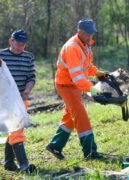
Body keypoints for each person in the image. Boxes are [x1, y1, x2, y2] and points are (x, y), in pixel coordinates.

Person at [46, 18, 107, 160]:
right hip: (66, 85)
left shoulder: (85, 44)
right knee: (81, 116)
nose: (91, 37)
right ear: (79, 32)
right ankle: (90, 152)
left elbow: (86, 67)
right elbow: (78, 77)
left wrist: (98, 73)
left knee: (71, 116)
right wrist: (93, 90)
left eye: (92, 34)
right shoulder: (72, 47)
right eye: (88, 34)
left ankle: (55, 146)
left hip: (73, 85)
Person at [0, 29, 37, 173]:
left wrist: (27, 91)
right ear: (11, 41)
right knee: (16, 131)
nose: (20, 47)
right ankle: (24, 166)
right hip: (4, 99)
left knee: (14, 129)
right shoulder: (0, 55)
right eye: (18, 43)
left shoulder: (29, 57)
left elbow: (31, 77)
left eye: (23, 44)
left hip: (21, 99)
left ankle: (9, 162)